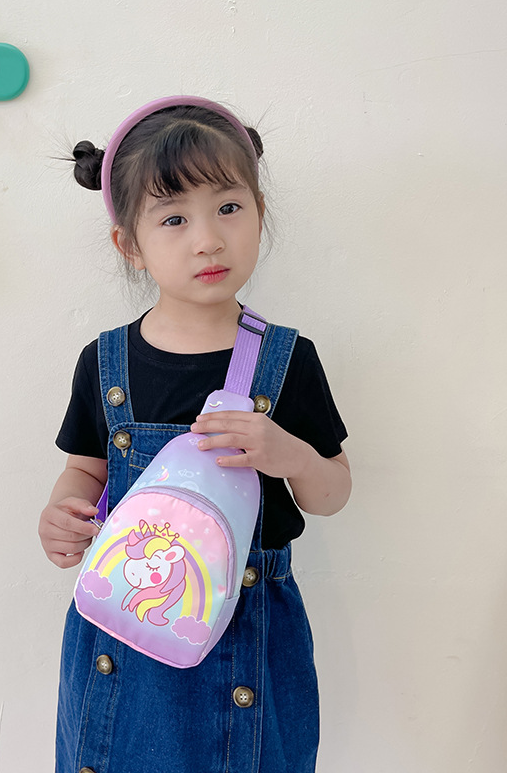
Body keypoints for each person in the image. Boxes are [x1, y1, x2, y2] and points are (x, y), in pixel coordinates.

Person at [38, 95, 351, 773]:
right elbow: (85, 471)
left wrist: (288, 454)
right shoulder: (106, 364)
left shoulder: (288, 361)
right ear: (130, 245)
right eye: (174, 218)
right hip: (127, 630)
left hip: (251, 635)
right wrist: (62, 513)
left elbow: (332, 492)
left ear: (259, 212)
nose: (207, 239)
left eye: (228, 208)